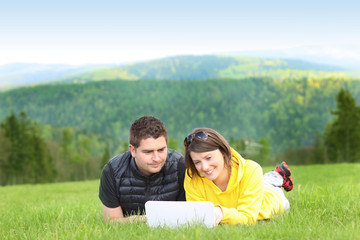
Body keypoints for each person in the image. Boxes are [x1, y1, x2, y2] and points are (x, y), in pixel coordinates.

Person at [183, 128, 294, 226]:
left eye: (208, 158)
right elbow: (198, 217)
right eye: (197, 162)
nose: (205, 167)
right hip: (247, 188)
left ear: (222, 151)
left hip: (271, 200)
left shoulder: (251, 170)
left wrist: (221, 213)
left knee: (267, 185)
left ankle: (276, 177)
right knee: (259, 182)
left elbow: (248, 218)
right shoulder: (192, 176)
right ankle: (272, 177)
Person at [99, 116, 186, 222]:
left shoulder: (180, 165)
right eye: (148, 152)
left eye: (161, 150)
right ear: (132, 150)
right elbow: (112, 222)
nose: (156, 158)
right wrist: (148, 219)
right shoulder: (112, 171)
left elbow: (187, 216)